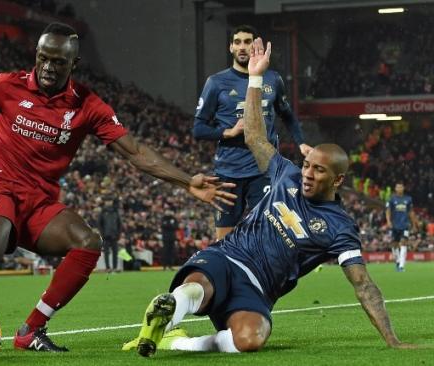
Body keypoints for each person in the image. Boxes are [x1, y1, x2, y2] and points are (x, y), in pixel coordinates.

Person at [0, 22, 235, 354]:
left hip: (39, 201)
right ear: (36, 54)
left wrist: (188, 182)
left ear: (73, 64)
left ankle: (31, 330)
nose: (49, 67)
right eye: (44, 58)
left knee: (88, 242)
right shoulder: (5, 86)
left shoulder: (87, 105)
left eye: (59, 62)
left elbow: (135, 152)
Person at [124, 38, 416, 357]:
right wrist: (255, 78)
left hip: (258, 289)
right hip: (227, 257)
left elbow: (363, 285)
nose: (307, 173)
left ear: (338, 179)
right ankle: (165, 315)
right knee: (196, 289)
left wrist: (392, 339)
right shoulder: (284, 172)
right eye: (307, 165)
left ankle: (175, 339)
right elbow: (253, 135)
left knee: (250, 340)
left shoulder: (340, 229)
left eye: (318, 170)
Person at [193, 25, 312, 240]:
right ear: (230, 47)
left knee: (270, 233)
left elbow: (287, 114)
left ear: (255, 46)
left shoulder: (273, 79)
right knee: (224, 240)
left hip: (264, 169)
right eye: (237, 42)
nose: (242, 47)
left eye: (247, 42)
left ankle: (269, 273)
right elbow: (198, 128)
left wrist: (301, 143)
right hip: (228, 172)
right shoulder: (216, 82)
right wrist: (228, 132)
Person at [385, 182, 418, 272]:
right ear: (395, 189)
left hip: (405, 225)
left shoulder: (408, 199)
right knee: (394, 245)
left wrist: (414, 224)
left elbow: (411, 212)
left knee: (404, 243)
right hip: (394, 225)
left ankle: (401, 266)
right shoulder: (391, 199)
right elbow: (388, 211)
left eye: (401, 187)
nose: (399, 188)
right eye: (398, 187)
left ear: (403, 188)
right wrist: (388, 221)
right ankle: (398, 261)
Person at [98, 197, 122, 273]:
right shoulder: (103, 212)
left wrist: (118, 233)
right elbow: (99, 224)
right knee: (106, 252)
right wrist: (102, 233)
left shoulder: (116, 212)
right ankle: (108, 267)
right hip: (106, 235)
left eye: (110, 201)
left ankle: (115, 267)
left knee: (115, 252)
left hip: (114, 235)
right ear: (105, 202)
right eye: (107, 201)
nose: (109, 202)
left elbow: (119, 224)